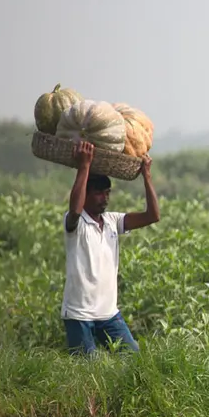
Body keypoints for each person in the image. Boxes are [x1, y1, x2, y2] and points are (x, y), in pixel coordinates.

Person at [63, 140, 160, 356]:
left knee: (136, 361)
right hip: (80, 314)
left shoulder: (112, 221)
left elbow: (153, 216)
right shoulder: (75, 224)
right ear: (86, 194)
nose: (105, 198)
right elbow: (75, 210)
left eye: (107, 193)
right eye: (99, 193)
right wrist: (84, 167)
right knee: (85, 373)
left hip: (108, 313)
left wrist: (147, 177)